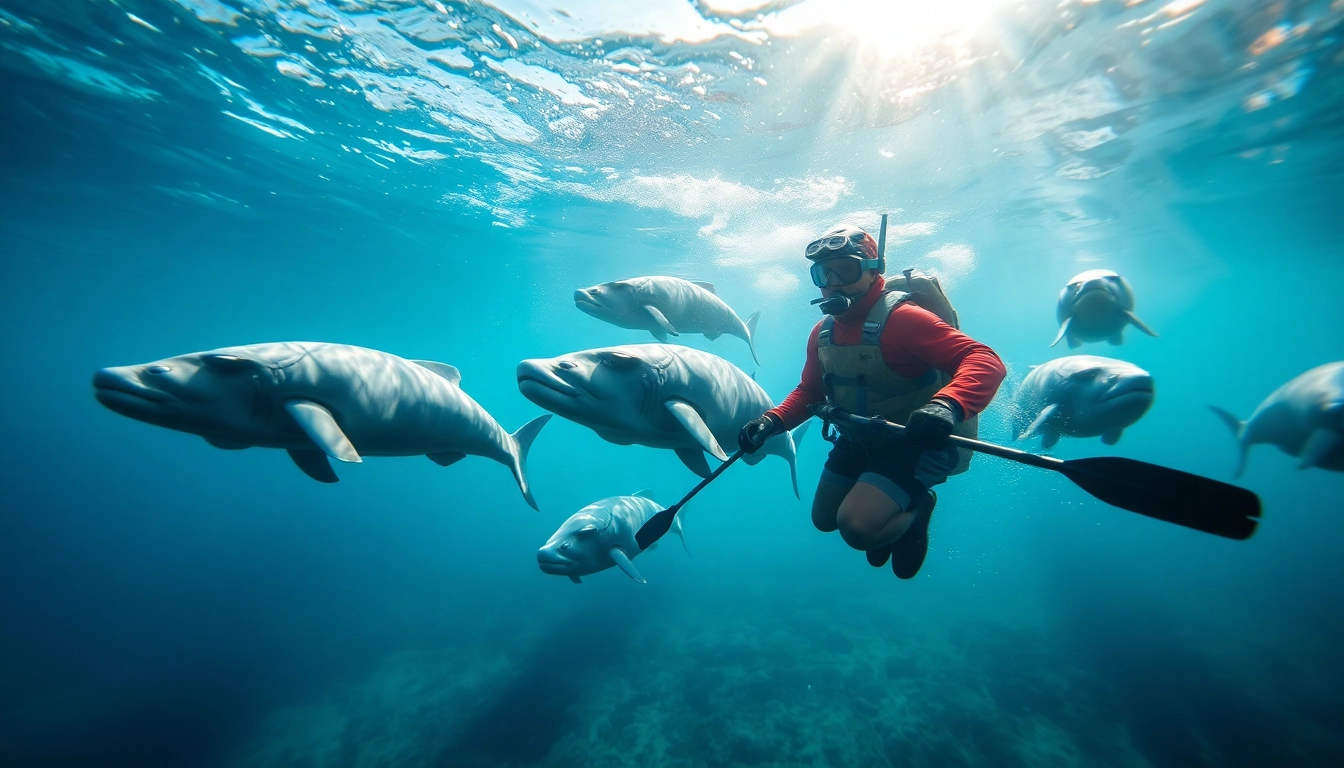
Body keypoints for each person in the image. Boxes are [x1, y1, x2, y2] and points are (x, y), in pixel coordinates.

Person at [738, 224, 1006, 578]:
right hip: (861, 438)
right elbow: (809, 392)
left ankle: (917, 506)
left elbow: (985, 360)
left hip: (915, 442)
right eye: (823, 273)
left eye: (845, 269)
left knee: (857, 528)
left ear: (872, 270)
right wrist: (770, 422)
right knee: (823, 520)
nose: (832, 282)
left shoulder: (904, 319)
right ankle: (885, 507)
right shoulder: (823, 332)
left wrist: (947, 406)